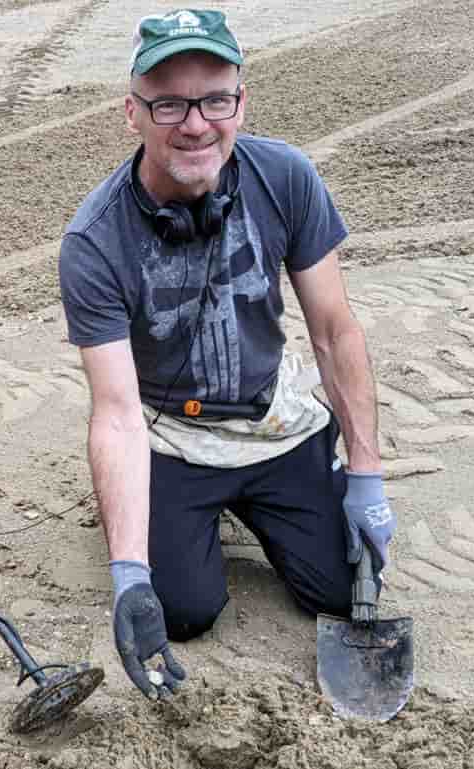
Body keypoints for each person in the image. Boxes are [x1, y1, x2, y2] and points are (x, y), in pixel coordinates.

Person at [58, 8, 396, 701]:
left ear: (241, 102)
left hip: (270, 419)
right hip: (171, 435)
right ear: (132, 113)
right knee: (182, 611)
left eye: (216, 98)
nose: (195, 123)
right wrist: (129, 572)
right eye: (169, 103)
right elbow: (118, 413)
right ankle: (151, 517)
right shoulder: (93, 241)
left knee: (339, 588)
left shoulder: (286, 178)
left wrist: (366, 474)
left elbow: (334, 332)